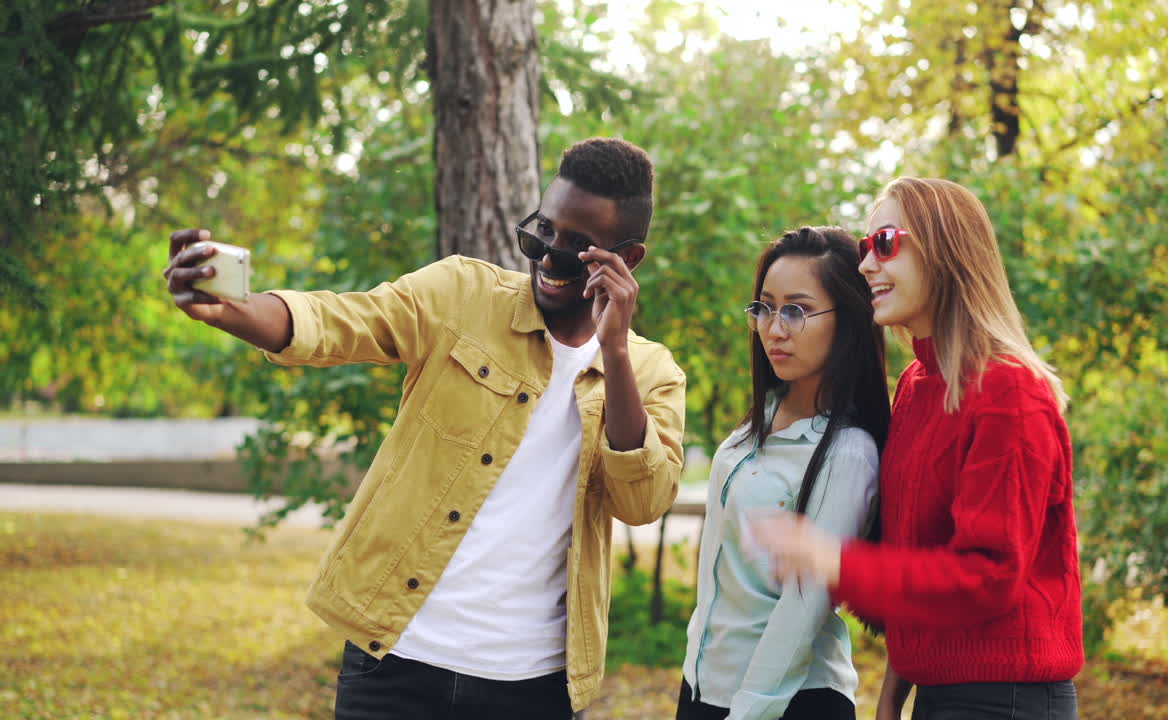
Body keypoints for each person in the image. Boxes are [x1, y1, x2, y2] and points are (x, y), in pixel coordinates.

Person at [163, 138, 686, 719]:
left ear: (627, 259)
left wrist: (613, 352)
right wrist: (231, 307)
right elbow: (340, 321)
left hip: (533, 685)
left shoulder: (652, 373)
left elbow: (642, 501)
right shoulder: (463, 295)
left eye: (576, 248)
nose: (547, 257)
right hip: (396, 660)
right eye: (542, 232)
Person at [752, 178, 1083, 720]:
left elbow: (988, 577)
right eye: (864, 248)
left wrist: (832, 561)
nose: (864, 266)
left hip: (1009, 700)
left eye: (884, 242)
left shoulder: (1009, 391)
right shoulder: (917, 385)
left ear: (946, 247)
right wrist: (891, 697)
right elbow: (920, 561)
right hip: (939, 696)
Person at [678, 226, 892, 720]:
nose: (775, 328)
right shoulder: (755, 423)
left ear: (850, 320)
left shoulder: (848, 452)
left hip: (788, 703)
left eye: (796, 309)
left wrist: (747, 711)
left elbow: (802, 609)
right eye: (765, 308)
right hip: (705, 687)